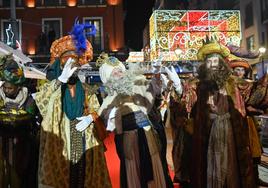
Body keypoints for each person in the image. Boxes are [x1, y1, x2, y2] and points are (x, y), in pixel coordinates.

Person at [35, 22, 111, 188]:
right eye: (67, 66)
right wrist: (60, 81)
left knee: (83, 177)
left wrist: (90, 118)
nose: (72, 70)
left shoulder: (86, 89)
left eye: (75, 66)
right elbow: (43, 104)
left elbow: (97, 110)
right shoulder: (52, 87)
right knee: (64, 177)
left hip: (85, 139)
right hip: (60, 140)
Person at [185, 37, 255, 188]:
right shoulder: (198, 84)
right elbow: (189, 108)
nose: (213, 65)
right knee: (210, 161)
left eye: (216, 61)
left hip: (230, 129)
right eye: (210, 61)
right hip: (208, 131)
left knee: (231, 161)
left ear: (222, 63)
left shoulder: (232, 82)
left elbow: (247, 98)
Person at [97, 53, 169, 188]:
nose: (118, 74)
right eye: (114, 72)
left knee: (152, 164)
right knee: (133, 168)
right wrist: (115, 114)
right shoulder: (109, 98)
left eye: (119, 70)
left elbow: (155, 89)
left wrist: (157, 73)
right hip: (129, 138)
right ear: (108, 77)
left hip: (147, 133)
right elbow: (106, 120)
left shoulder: (138, 82)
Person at [0, 54, 39, 187]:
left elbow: (30, 116)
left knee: (20, 174)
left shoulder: (28, 99)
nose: (6, 90)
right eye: (5, 87)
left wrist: (15, 117)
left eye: (10, 88)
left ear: (18, 87)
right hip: (2, 142)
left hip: (22, 144)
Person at [229, 56, 268, 187]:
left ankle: (255, 178)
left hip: (248, 121)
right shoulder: (230, 84)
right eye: (237, 69)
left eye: (242, 70)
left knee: (254, 150)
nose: (240, 72)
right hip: (235, 121)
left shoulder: (250, 84)